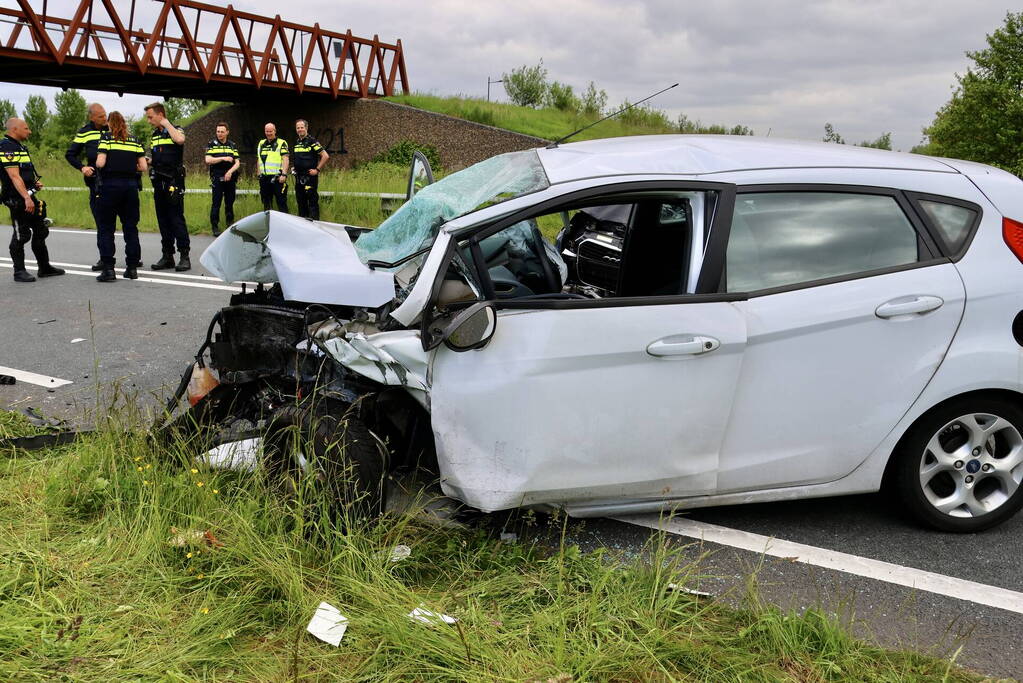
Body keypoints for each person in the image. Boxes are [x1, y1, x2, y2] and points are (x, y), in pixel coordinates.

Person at [1, 117, 64, 283]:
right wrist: (26, 197)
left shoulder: (18, 146)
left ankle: (44, 267)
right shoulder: (7, 147)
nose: (29, 131)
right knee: (21, 234)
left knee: (41, 230)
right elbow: (14, 176)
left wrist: (33, 184)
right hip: (17, 199)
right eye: (26, 128)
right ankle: (19, 272)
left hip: (28, 194)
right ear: (15, 129)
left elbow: (23, 174)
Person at [93, 111, 147, 282]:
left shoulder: (106, 139)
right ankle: (132, 268)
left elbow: (100, 163)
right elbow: (143, 167)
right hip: (130, 187)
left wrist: (102, 162)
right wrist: (129, 167)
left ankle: (108, 269)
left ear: (110, 123)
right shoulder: (135, 140)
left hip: (110, 187)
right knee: (131, 227)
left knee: (106, 228)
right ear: (124, 123)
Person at [144, 102, 190, 271]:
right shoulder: (155, 135)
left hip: (174, 182)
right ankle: (167, 255)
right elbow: (154, 157)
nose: (149, 121)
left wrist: (166, 123)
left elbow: (180, 140)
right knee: (163, 220)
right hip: (159, 182)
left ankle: (184, 256)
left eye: (151, 117)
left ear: (160, 115)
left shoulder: (176, 129)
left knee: (176, 218)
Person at [64, 103, 109, 271]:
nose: (104, 119)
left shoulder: (112, 128)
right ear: (91, 118)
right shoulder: (84, 132)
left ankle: (133, 258)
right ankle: (104, 258)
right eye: (100, 116)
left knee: (127, 221)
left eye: (105, 115)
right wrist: (82, 167)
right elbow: (70, 154)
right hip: (97, 183)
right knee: (101, 222)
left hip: (116, 181)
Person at [204, 121, 240, 236]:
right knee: (216, 203)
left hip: (230, 177)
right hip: (217, 177)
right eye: (218, 131)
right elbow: (208, 160)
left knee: (229, 203)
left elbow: (237, 163)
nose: (219, 134)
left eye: (222, 132)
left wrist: (230, 172)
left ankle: (230, 224)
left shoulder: (232, 145)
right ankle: (215, 226)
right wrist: (223, 158)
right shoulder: (212, 144)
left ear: (227, 132)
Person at [292, 119, 329, 220]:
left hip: (310, 177)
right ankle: (303, 227)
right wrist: (294, 168)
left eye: (302, 127)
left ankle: (315, 226)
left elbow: (325, 156)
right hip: (299, 177)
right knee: (301, 202)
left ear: (306, 128)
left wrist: (317, 170)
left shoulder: (312, 141)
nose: (300, 129)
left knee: (312, 202)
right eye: (298, 128)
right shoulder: (297, 142)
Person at [256, 122, 289, 213]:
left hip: (278, 178)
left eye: (271, 131)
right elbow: (259, 159)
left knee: (281, 202)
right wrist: (259, 174)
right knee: (266, 203)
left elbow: (285, 159)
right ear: (264, 131)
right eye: (267, 131)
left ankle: (284, 225)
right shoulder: (261, 143)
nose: (269, 133)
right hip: (264, 178)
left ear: (275, 131)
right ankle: (269, 225)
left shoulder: (281, 143)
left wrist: (284, 174)